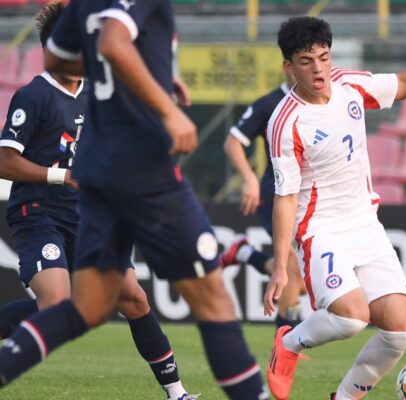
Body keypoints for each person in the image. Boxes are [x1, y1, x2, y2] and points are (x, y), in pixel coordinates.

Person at [0, 1, 267, 399]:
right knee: (213, 301)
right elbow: (113, 41)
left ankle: (175, 392)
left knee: (94, 306)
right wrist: (165, 107)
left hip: (95, 187)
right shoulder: (36, 95)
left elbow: (67, 52)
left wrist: (148, 81)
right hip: (126, 178)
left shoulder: (86, 9)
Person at [263, 16, 406, 400]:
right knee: (350, 318)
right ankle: (290, 342)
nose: (318, 69)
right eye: (306, 61)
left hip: (365, 224)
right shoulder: (286, 121)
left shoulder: (349, 84)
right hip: (319, 230)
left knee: (399, 330)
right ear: (288, 66)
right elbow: (285, 196)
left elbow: (405, 84)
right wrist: (281, 265)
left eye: (324, 58)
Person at [221, 68, 306, 328]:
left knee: (301, 283)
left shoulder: (318, 103)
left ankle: (245, 253)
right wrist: (249, 178)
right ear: (287, 66)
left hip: (308, 198)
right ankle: (285, 345)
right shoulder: (269, 104)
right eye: (301, 61)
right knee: (292, 272)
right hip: (276, 195)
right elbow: (232, 143)